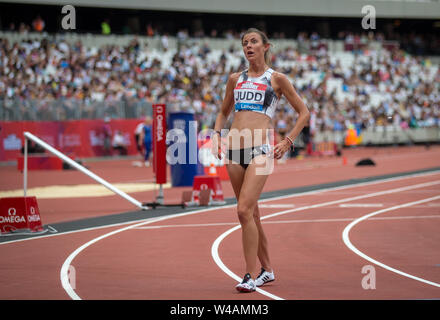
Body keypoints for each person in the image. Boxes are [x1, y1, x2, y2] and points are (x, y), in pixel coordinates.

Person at [211, 28, 310, 293]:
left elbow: (304, 113)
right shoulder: (235, 79)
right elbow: (223, 113)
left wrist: (288, 141)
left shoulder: (277, 79)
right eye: (245, 43)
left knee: (243, 210)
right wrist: (216, 136)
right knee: (252, 213)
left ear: (266, 47)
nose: (248, 46)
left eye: (253, 41)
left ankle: (248, 274)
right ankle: (267, 270)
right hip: (233, 151)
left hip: (261, 151)